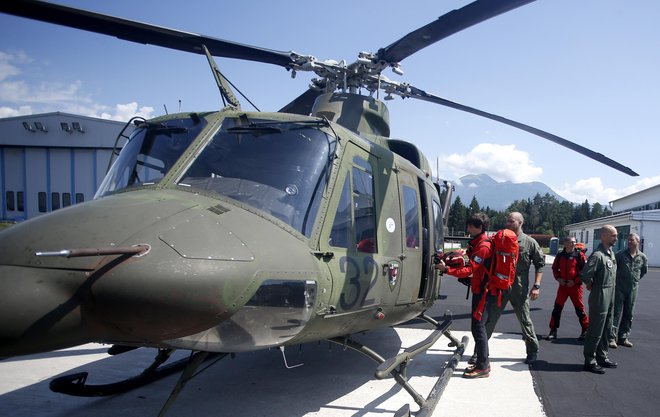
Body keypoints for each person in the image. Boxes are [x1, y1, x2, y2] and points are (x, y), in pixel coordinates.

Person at [477, 212, 544, 365]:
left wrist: (537, 286)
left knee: (525, 320)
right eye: (507, 220)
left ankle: (532, 351)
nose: (507, 223)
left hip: (519, 288)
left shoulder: (529, 242)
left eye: (511, 221)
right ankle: (480, 352)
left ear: (520, 222)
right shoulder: (499, 239)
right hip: (499, 286)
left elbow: (540, 265)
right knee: (489, 319)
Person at [436, 212, 494, 378]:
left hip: (484, 292)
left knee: (478, 327)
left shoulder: (483, 247)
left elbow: (470, 270)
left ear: (480, 227)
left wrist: (447, 270)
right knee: (477, 327)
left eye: (470, 226)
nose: (467, 228)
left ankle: (483, 366)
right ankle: (482, 362)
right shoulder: (478, 243)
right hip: (479, 289)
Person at [580, 225, 618, 374]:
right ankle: (589, 361)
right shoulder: (597, 255)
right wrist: (591, 285)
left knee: (607, 328)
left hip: (611, 292)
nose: (616, 238)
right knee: (596, 328)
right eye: (613, 235)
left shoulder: (610, 253)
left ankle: (603, 357)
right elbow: (585, 275)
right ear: (604, 236)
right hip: (600, 293)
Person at [609, 233, 648, 348]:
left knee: (629, 313)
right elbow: (613, 269)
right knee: (615, 313)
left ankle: (623, 337)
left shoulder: (642, 257)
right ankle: (611, 338)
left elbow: (643, 271)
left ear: (638, 242)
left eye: (632, 240)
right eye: (628, 240)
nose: (629, 242)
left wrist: (634, 280)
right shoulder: (620, 255)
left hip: (633, 289)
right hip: (619, 288)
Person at [547, 237, 589, 341]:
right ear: (565, 243)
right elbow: (554, 268)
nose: (573, 244)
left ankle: (585, 330)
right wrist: (558, 278)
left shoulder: (579, 255)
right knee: (557, 308)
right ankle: (553, 330)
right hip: (563, 286)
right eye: (571, 242)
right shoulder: (560, 255)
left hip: (575, 287)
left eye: (574, 242)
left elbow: (585, 271)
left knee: (579, 309)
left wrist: (575, 281)